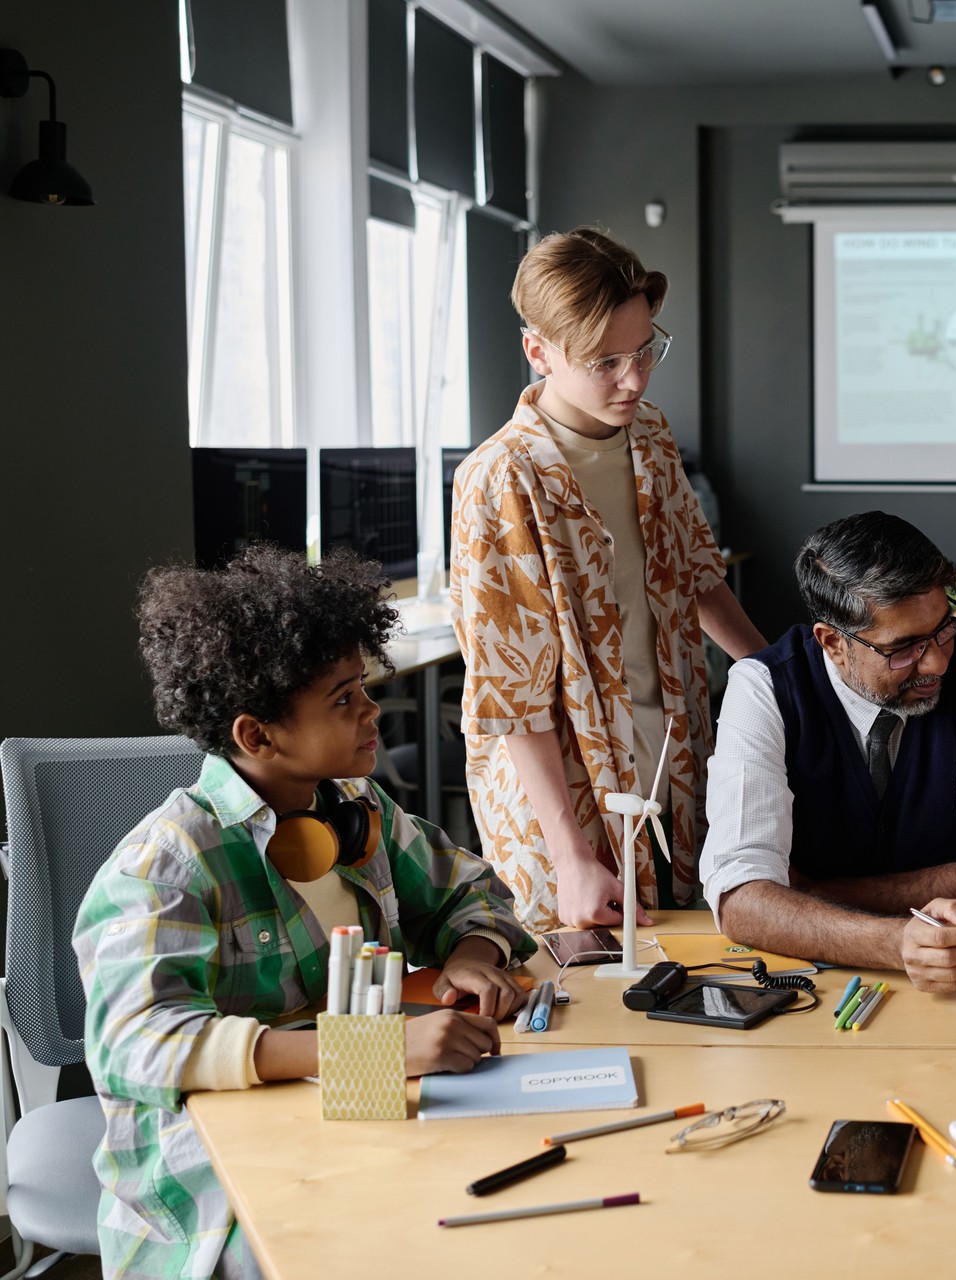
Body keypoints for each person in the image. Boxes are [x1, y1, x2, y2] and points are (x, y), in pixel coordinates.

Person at [76, 546, 534, 1280]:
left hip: (352, 1133)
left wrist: (473, 955)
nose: (372, 710)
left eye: (364, 687)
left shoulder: (357, 809)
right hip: (214, 1199)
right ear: (257, 736)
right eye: (343, 699)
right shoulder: (166, 864)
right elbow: (138, 1045)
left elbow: (467, 890)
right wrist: (377, 1054)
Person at [451, 227, 765, 934]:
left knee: (689, 957)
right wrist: (568, 857)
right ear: (539, 352)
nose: (634, 378)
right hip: (566, 788)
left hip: (672, 750)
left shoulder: (648, 432)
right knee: (589, 991)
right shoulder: (501, 478)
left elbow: (696, 573)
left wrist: (777, 679)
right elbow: (511, 694)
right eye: (605, 362)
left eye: (645, 350)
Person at [701, 512, 956, 992]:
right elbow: (740, 898)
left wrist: (804, 897)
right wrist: (891, 942)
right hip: (809, 984)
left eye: (943, 628)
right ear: (833, 643)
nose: (937, 662)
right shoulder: (762, 686)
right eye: (903, 649)